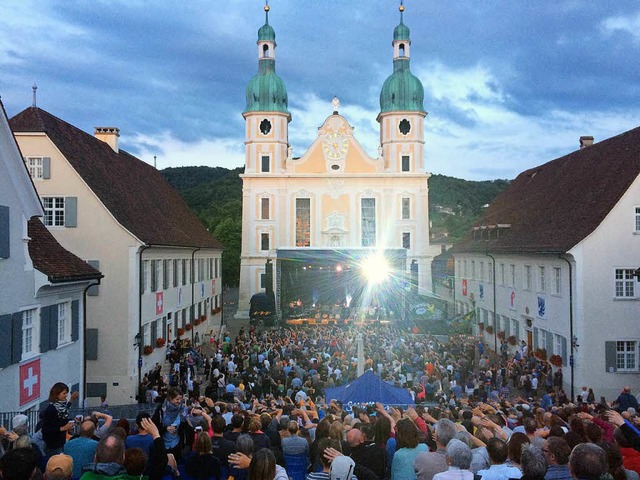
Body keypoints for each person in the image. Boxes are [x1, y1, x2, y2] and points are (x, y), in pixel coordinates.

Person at [151, 387, 189, 460]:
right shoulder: (161, 410)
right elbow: (154, 426)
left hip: (177, 443)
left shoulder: (182, 409)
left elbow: (185, 425)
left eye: (180, 399)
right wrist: (165, 428)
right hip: (163, 445)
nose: (179, 401)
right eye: (177, 399)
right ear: (170, 399)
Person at [42, 383, 79, 455]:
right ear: (57, 394)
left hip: (60, 442)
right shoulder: (51, 409)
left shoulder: (61, 406)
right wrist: (63, 428)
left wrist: (71, 421)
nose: (66, 395)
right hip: (53, 445)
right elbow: (46, 429)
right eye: (64, 393)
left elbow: (64, 413)